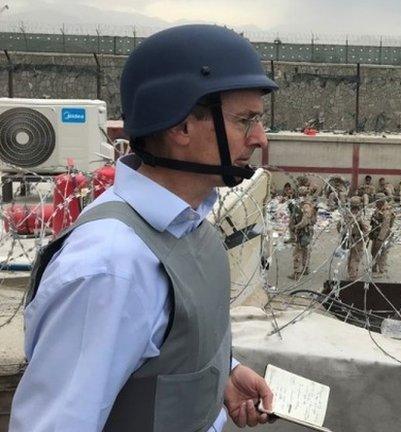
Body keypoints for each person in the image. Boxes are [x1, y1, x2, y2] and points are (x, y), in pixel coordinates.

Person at [10, 25, 278, 431]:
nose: (259, 137)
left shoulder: (189, 228)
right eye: (245, 120)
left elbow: (156, 347)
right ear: (181, 127)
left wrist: (222, 374)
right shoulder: (110, 266)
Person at [288, 186, 316, 279]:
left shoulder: (305, 205)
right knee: (305, 250)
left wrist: (296, 227)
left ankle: (297, 272)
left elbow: (305, 220)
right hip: (306, 231)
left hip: (303, 232)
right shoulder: (305, 202)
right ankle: (305, 268)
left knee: (297, 252)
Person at [339, 196, 369, 280]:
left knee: (351, 255)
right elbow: (365, 229)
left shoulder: (346, 214)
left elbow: (339, 226)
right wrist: (365, 238)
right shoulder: (359, 217)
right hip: (357, 239)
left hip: (348, 239)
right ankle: (352, 275)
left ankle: (350, 272)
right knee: (355, 257)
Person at [369, 193, 395, 277]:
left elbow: (385, 226)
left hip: (383, 236)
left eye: (377, 201)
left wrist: (380, 239)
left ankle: (381, 271)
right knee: (374, 251)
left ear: (381, 202)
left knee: (382, 252)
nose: (375, 203)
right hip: (376, 234)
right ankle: (374, 267)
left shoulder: (386, 211)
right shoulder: (378, 209)